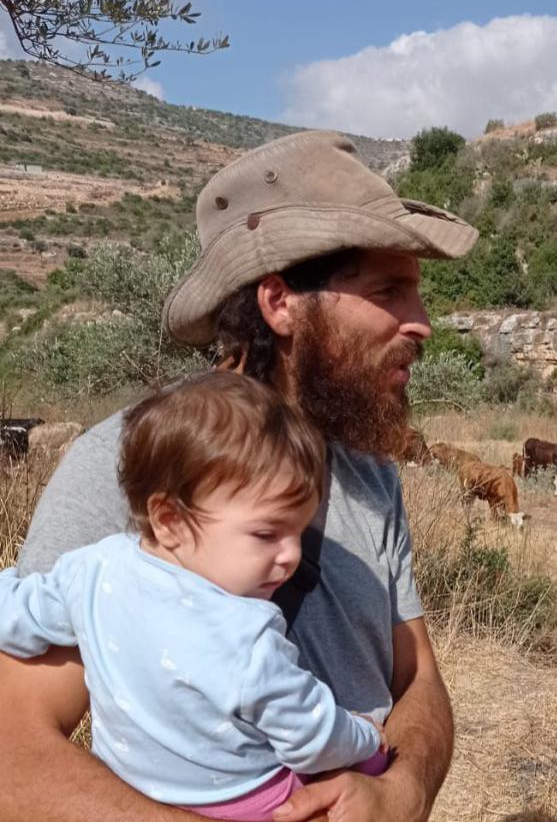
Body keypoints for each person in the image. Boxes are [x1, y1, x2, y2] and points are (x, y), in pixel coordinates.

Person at [0, 129, 479, 822]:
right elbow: (13, 750)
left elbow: (420, 679)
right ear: (279, 302)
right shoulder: (132, 467)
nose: (423, 323)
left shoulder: (372, 473)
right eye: (390, 289)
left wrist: (401, 793)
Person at [0, 372, 390, 820]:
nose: (291, 555)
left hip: (128, 788)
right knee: (372, 769)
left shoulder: (91, 569)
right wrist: (363, 733)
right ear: (168, 519)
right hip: (251, 800)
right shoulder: (246, 634)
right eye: (267, 533)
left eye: (299, 532)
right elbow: (311, 738)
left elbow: (18, 614)